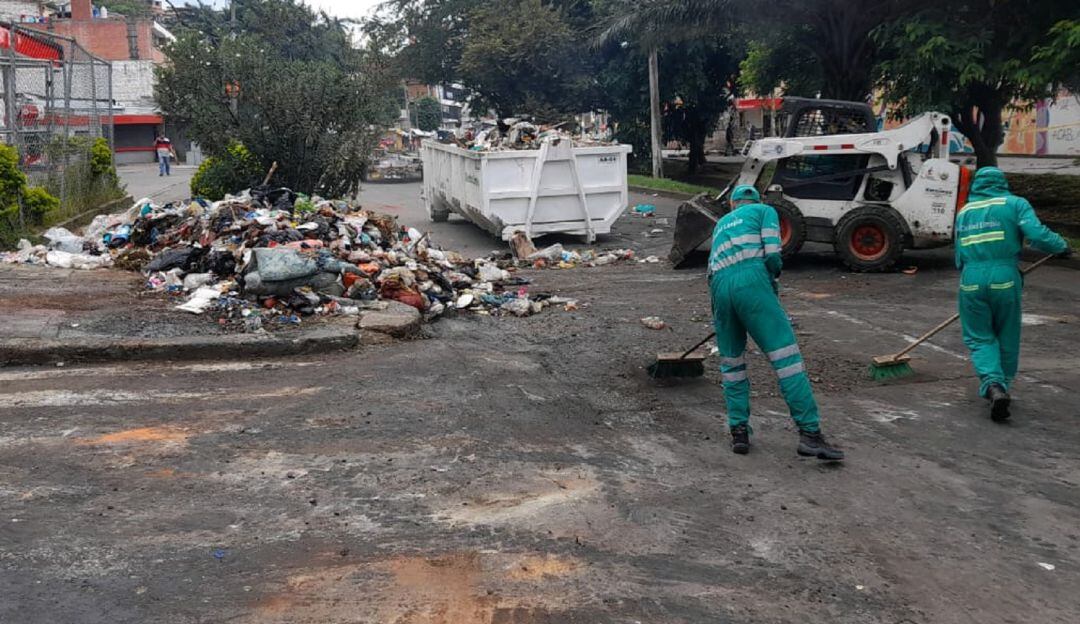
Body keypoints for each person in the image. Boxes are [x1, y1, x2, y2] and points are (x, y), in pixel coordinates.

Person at [709, 185, 843, 460]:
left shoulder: (721, 223)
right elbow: (772, 254)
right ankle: (810, 434)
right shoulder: (765, 211)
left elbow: (711, 270)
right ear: (755, 201)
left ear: (733, 204)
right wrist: (771, 282)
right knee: (786, 358)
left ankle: (739, 433)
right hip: (752, 281)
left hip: (719, 288)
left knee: (732, 364)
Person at [954, 166, 1072, 422]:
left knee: (979, 337)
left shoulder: (964, 212)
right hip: (1005, 277)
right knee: (1006, 333)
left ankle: (993, 385)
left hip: (971, 279)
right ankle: (1002, 385)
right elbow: (1037, 234)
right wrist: (1062, 246)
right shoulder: (1015, 204)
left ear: (976, 185)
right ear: (1001, 183)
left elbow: (959, 255)